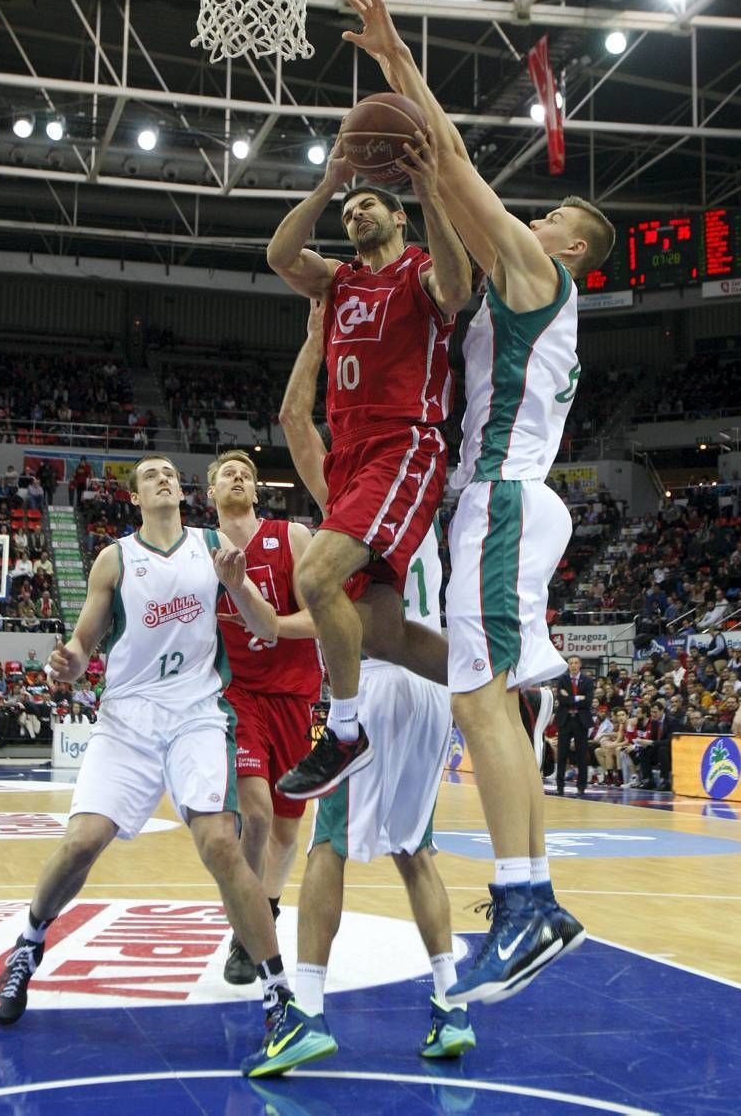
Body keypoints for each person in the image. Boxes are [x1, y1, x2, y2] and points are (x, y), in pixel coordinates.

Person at [340, 0, 614, 1004]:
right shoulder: (515, 285)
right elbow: (446, 193)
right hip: (500, 502)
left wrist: (393, 60)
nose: (530, 219)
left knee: (475, 695)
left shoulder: (542, 276)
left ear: (569, 245)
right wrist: (419, 151)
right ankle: (527, 896)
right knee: (475, 683)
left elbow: (454, 165)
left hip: (499, 496)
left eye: (546, 216)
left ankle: (527, 898)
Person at [0, 454, 292, 1074]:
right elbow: (82, 642)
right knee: (82, 842)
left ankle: (278, 993)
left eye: (168, 473)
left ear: (181, 490)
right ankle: (28, 943)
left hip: (197, 713)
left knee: (221, 844)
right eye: (149, 474)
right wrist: (70, 661)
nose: (161, 478)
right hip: (127, 718)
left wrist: (238, 586)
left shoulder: (212, 547)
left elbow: (267, 624)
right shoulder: (115, 559)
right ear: (134, 497)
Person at [244, 300, 474, 1077]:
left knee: (329, 848)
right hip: (431, 687)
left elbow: (292, 420)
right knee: (417, 848)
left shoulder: (357, 499)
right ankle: (451, 1003)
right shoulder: (420, 505)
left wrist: (313, 341)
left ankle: (306, 1009)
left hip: (375, 686)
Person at [266, 110, 473, 798]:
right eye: (350, 211)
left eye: (366, 206)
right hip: (352, 456)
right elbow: (279, 255)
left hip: (403, 442)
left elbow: (460, 285)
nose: (356, 215)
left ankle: (345, 730)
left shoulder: (417, 273)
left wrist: (427, 190)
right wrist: (328, 183)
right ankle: (506, 687)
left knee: (315, 574)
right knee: (382, 633)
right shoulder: (339, 281)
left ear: (397, 217)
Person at [207, 447, 322, 987]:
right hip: (239, 695)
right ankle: (245, 931)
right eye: (228, 473)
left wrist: (271, 624)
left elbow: (320, 619)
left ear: (256, 492)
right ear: (211, 494)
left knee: (284, 830)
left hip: (294, 696)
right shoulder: (197, 551)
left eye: (246, 475)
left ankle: (266, 909)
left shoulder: (293, 537)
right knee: (253, 815)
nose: (238, 477)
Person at [555, 657, 595, 794]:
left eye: (576, 663)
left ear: (580, 665)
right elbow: (561, 699)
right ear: (568, 665)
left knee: (581, 755)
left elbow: (588, 701)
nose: (573, 665)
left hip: (580, 721)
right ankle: (560, 786)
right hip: (565, 720)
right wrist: (578, 697)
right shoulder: (562, 680)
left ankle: (581, 786)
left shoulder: (588, 681)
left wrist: (570, 698)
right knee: (561, 754)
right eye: (571, 663)